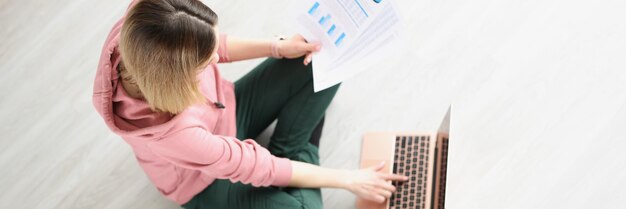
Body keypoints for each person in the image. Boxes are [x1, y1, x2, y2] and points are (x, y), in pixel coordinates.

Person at [92, 0, 408, 208]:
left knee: (325, 56)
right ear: (176, 78)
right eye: (206, 62)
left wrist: (279, 47)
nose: (217, 59)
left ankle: (293, 154)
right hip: (204, 182)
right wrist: (350, 179)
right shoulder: (175, 136)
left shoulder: (142, 27)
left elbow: (214, 44)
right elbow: (258, 167)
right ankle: (299, 151)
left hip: (226, 107)